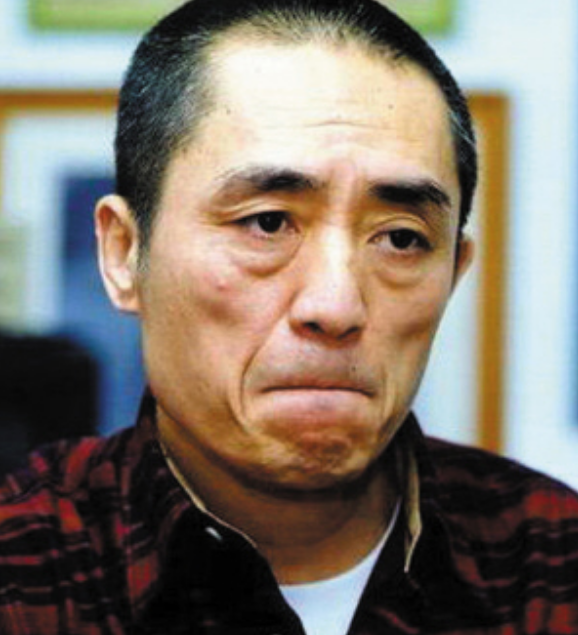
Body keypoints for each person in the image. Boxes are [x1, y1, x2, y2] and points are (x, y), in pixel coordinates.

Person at [1, 0, 577, 633]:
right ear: (123, 254)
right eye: (267, 223)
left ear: (453, 274)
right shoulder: (25, 564)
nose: (336, 306)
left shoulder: (550, 564)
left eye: (401, 238)